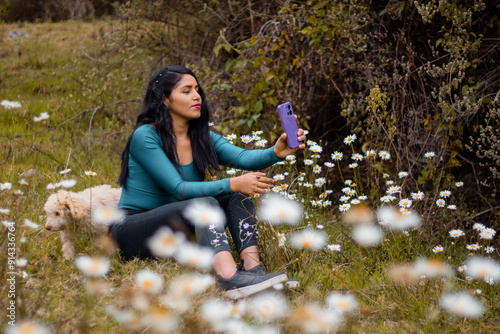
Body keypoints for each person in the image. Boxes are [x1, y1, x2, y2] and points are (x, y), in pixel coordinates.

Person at [112, 65, 306, 299]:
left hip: (175, 230)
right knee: (205, 202)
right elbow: (178, 189)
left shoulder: (202, 137)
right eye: (186, 91)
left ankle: (254, 272)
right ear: (165, 99)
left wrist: (276, 152)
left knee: (238, 194)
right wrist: (231, 182)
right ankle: (228, 279)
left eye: (197, 89)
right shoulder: (145, 136)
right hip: (133, 231)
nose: (196, 96)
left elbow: (243, 157)